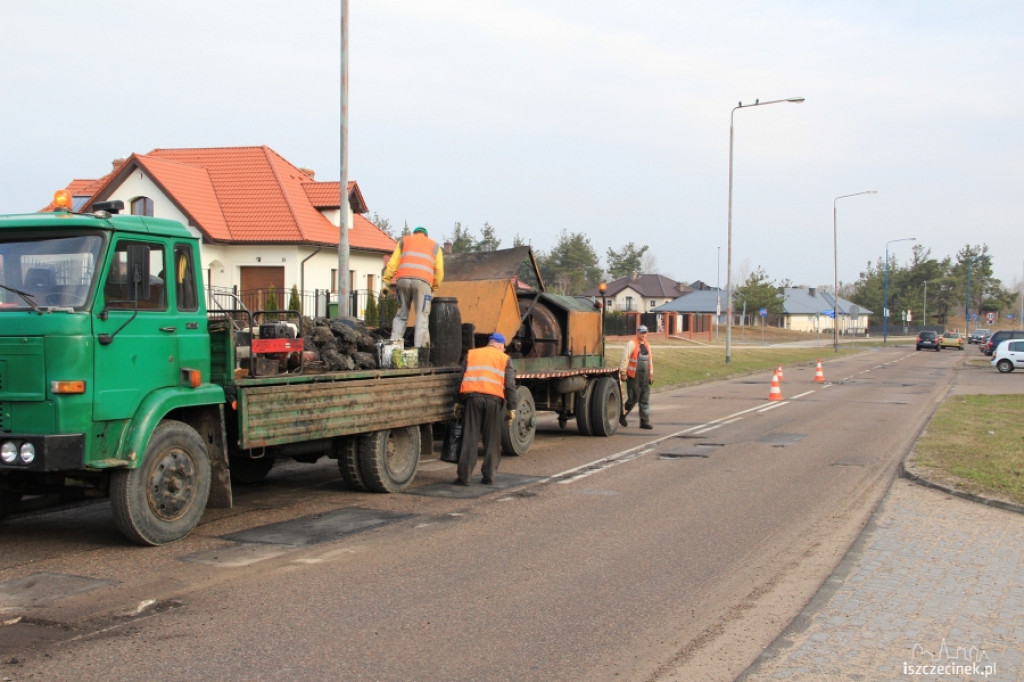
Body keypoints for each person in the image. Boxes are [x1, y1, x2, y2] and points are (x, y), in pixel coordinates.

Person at [455, 332, 517, 486]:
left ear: (490, 342)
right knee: (492, 439)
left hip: (472, 399)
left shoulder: (472, 354)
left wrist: (457, 402)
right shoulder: (504, 358)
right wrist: (512, 408)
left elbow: (460, 378)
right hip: (493, 401)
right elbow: (509, 385)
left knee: (470, 437)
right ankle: (489, 476)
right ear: (500, 345)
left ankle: (465, 477)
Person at [382, 226, 444, 349]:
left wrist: (386, 281)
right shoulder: (434, 246)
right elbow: (440, 271)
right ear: (426, 235)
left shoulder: (404, 241)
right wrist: (434, 288)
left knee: (401, 315)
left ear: (414, 234)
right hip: (423, 283)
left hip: (402, 281)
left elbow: (392, 263)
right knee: (421, 317)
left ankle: (394, 349)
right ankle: (420, 351)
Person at [619, 324, 654, 429]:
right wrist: (623, 372)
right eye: (641, 332)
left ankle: (644, 422)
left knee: (644, 400)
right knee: (632, 399)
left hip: (644, 378)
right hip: (634, 377)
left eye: (645, 333)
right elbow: (625, 358)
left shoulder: (647, 345)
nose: (643, 335)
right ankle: (621, 416)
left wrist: (650, 374)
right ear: (637, 333)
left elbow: (650, 361)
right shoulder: (631, 344)